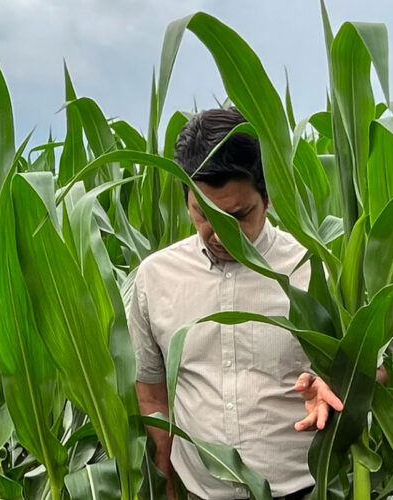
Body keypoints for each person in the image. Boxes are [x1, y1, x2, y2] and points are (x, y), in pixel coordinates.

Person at [129, 108, 343, 500]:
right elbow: (152, 395)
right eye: (203, 215)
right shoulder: (154, 279)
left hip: (300, 490)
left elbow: (373, 370)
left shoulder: (312, 270)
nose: (221, 234)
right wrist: (165, 486)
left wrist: (334, 383)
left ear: (268, 196)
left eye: (238, 216)